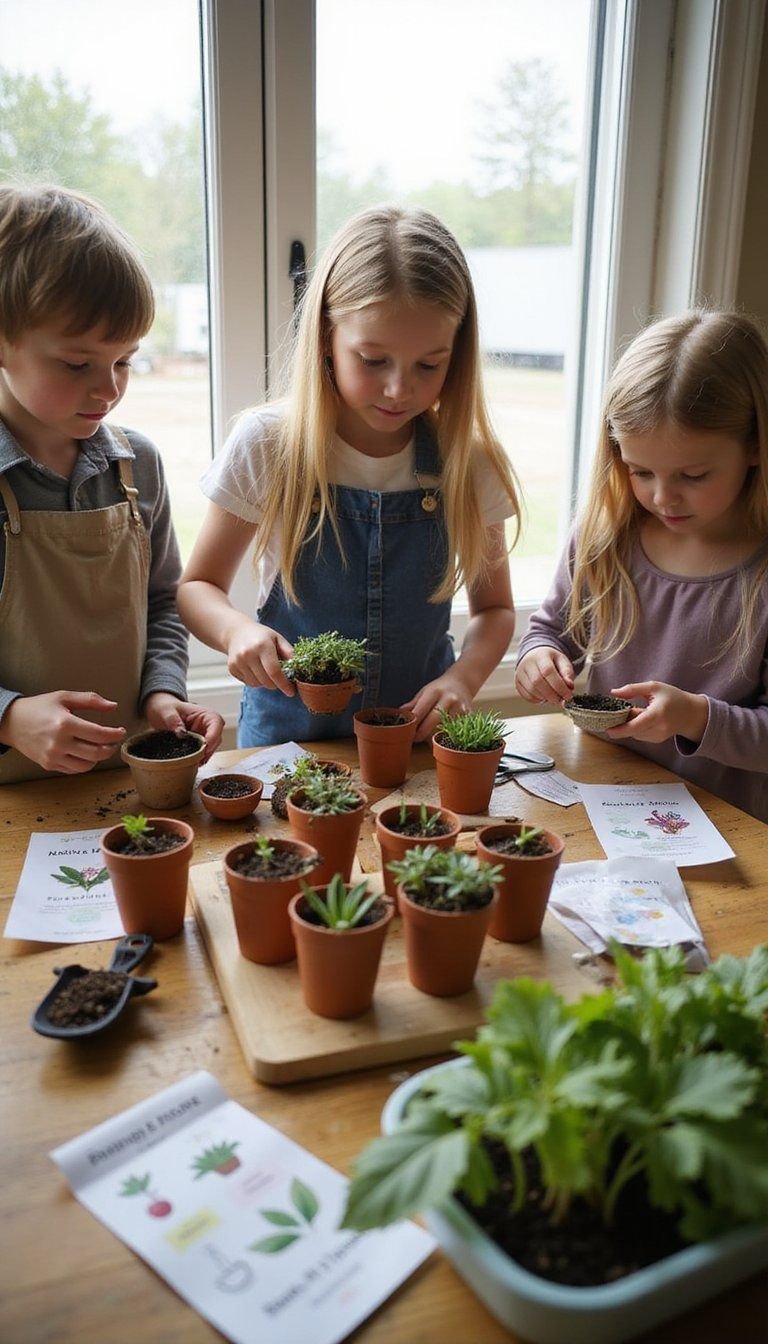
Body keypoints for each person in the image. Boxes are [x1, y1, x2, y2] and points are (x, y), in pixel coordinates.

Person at [177, 205, 521, 746]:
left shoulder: (466, 460)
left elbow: (496, 609)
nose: (398, 390)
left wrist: (463, 678)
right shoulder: (269, 444)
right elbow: (198, 588)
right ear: (326, 339)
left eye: (429, 365)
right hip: (288, 739)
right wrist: (237, 631)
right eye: (372, 359)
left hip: (416, 741)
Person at [0, 183, 224, 782]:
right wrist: (10, 716)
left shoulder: (138, 465)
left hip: (122, 785)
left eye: (124, 360)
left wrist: (162, 693)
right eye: (78, 364)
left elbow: (161, 604)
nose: (108, 389)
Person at [516, 309, 768, 822]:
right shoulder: (606, 537)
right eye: (640, 471)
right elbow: (552, 631)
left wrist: (696, 717)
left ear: (755, 445)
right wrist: (539, 656)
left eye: (693, 475)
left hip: (729, 829)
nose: (662, 496)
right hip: (606, 801)